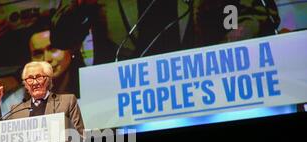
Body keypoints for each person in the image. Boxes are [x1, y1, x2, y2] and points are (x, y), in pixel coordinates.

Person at [51, 0, 280, 64]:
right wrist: (78, 4)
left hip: (204, 86)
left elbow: (257, 14)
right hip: (124, 108)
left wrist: (225, 49)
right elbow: (62, 38)